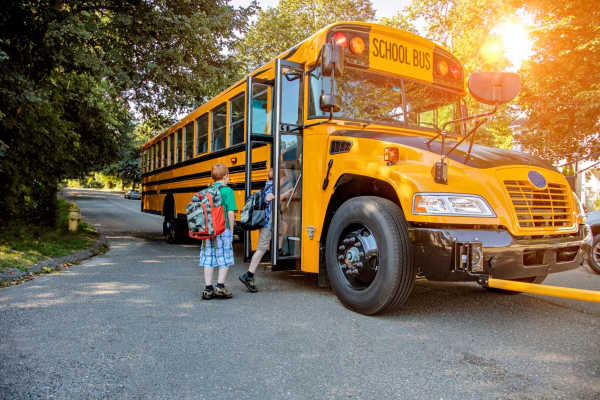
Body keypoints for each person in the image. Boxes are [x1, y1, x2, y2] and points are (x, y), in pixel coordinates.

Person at [200, 163, 237, 300]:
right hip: (223, 229)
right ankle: (220, 286)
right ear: (226, 176)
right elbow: (231, 213)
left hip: (208, 230)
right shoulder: (228, 191)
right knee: (225, 257)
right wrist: (232, 230)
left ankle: (208, 289)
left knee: (208, 257)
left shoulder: (208, 190)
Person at [239, 169, 275, 293]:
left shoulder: (267, 185)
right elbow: (272, 199)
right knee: (261, 249)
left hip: (265, 223)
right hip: (267, 224)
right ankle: (248, 275)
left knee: (262, 248)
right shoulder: (272, 189)